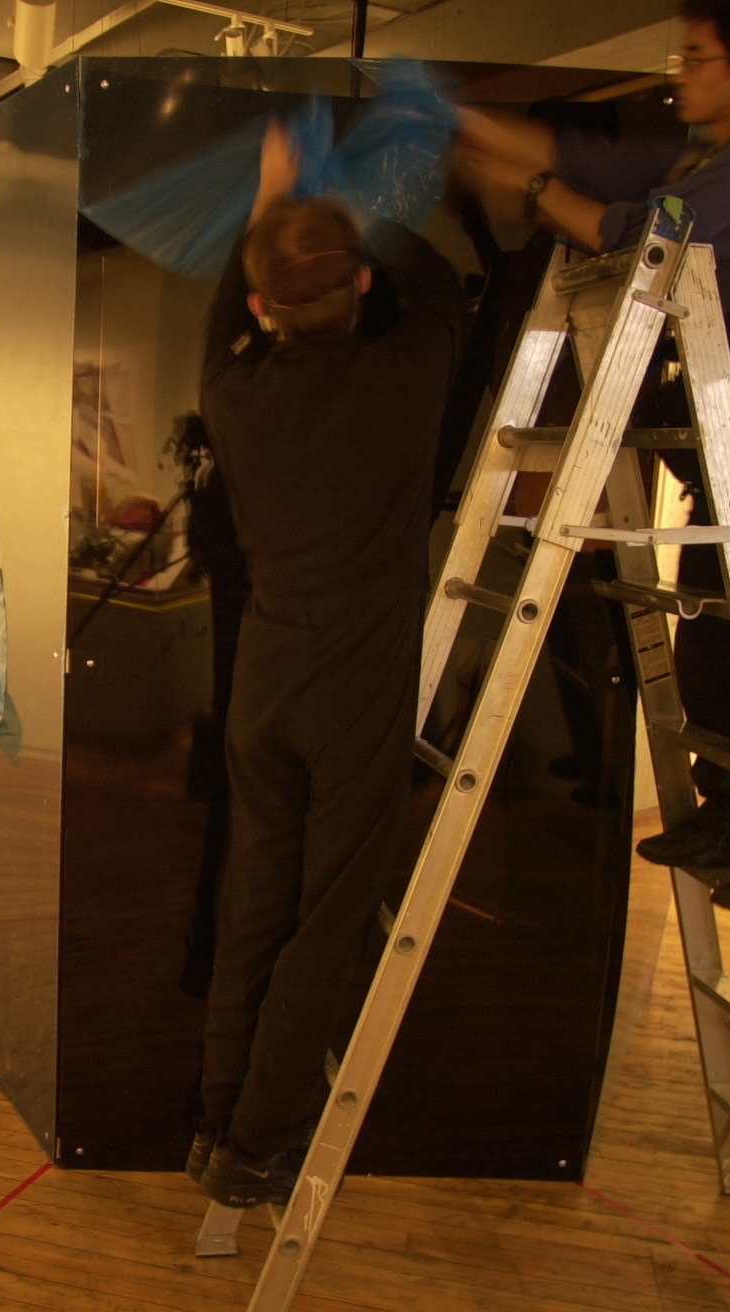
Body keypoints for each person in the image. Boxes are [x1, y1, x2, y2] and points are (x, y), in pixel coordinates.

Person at [456, 0, 730, 920]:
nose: (682, 72)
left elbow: (645, 231)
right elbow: (577, 160)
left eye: (698, 56)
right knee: (713, 633)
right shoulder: (696, 156)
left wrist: (534, 190)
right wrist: (461, 121)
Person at [188, 120, 468, 1208]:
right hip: (352, 692)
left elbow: (229, 308)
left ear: (265, 306)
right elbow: (435, 285)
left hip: (263, 683)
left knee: (253, 905)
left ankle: (219, 1119)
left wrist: (273, 199)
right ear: (357, 284)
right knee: (325, 920)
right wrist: (351, 199)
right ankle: (256, 1144)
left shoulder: (233, 391)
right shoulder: (405, 379)